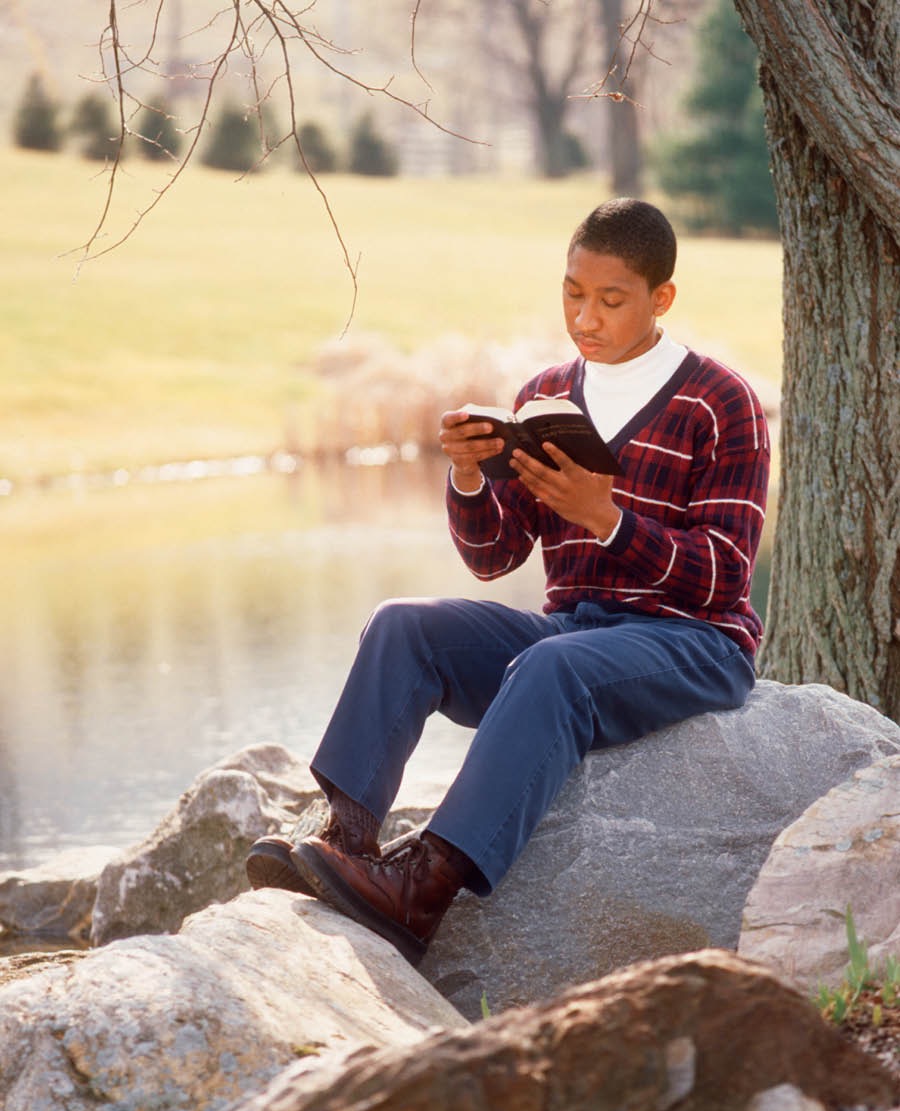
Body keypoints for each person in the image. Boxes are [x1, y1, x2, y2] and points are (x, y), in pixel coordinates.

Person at [246, 197, 770, 966]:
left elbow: (723, 575)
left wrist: (609, 520)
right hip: (570, 633)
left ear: (661, 299)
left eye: (610, 299)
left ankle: (421, 890)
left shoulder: (722, 403)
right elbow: (496, 557)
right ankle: (348, 841)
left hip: (692, 642)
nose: (585, 317)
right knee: (404, 625)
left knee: (554, 665)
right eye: (572, 292)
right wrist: (466, 477)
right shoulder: (547, 394)